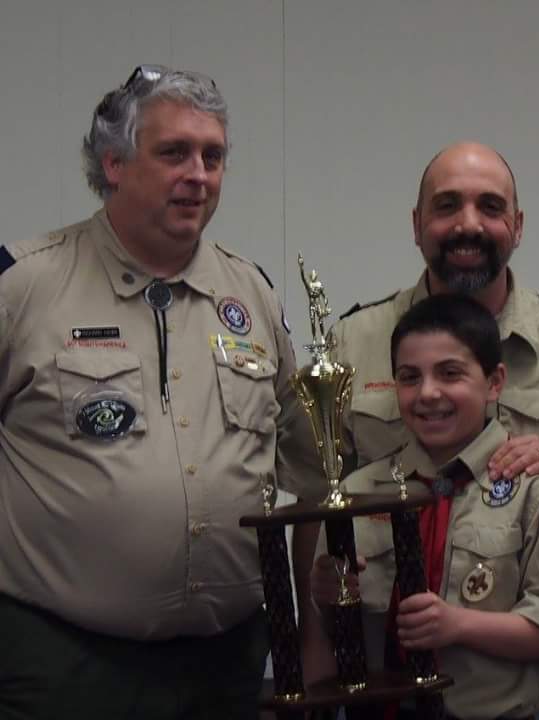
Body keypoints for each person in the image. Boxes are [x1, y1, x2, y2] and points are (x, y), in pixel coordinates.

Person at [0, 65, 321, 719]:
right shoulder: (22, 284)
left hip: (226, 663)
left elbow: (314, 469)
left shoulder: (251, 293)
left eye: (213, 156)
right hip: (64, 663)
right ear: (113, 163)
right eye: (173, 152)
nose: (198, 174)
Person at [295, 141, 539, 709]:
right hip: (380, 681)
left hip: (509, 687)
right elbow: (319, 500)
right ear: (416, 225)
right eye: (446, 206)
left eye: (490, 206)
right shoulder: (351, 344)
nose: (468, 225)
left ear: (518, 224)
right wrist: (315, 644)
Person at [310, 293, 539, 720]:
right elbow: (335, 627)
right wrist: (327, 595)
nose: (428, 393)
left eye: (450, 373)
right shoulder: (358, 492)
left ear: (494, 381)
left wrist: (457, 625)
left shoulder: (531, 490)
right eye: (409, 377)